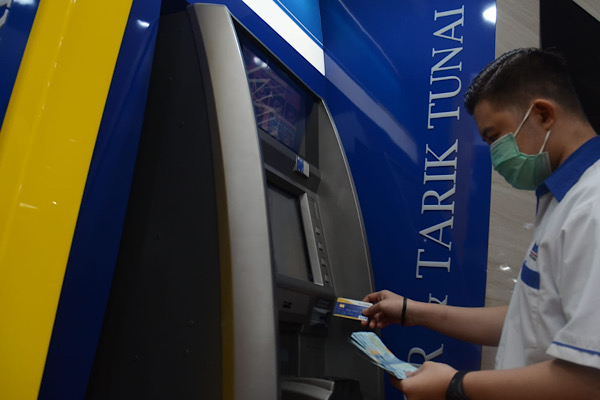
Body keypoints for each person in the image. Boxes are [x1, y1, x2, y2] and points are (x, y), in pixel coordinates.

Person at [361, 48, 600, 400]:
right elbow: (527, 318)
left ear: (543, 114)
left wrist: (453, 386)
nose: (495, 156)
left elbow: (590, 381)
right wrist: (412, 312)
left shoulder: (592, 206)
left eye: (494, 137)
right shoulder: (563, 199)